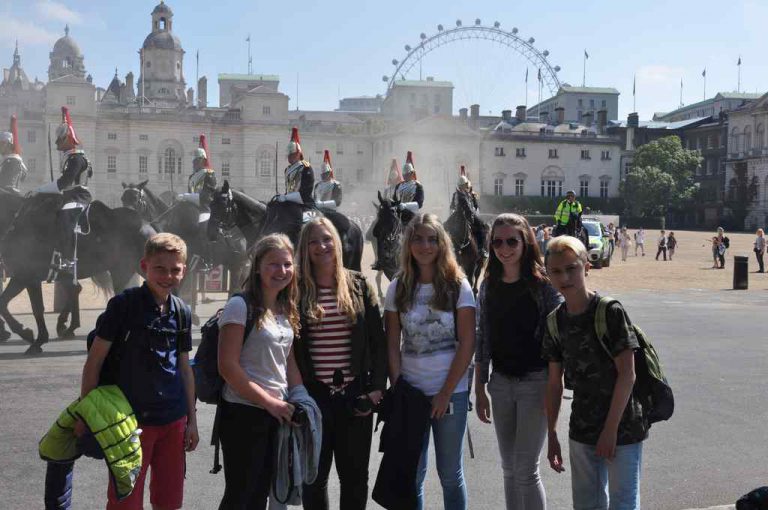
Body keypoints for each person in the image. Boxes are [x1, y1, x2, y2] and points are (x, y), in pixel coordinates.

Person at [79, 233, 197, 509]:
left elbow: (185, 368)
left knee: (168, 502)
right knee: (125, 503)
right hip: (129, 424)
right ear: (144, 266)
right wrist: (85, 414)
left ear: (184, 271)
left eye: (175, 270)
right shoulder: (123, 306)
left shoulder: (182, 311)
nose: (167, 276)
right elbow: (94, 362)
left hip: (173, 421)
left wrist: (191, 420)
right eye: (160, 268)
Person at [542, 236, 647, 510]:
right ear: (548, 275)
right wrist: (551, 434)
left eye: (572, 268)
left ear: (587, 266)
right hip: (583, 427)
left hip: (623, 427)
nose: (564, 277)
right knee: (587, 504)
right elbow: (554, 384)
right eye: (556, 271)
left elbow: (628, 374)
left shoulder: (609, 311)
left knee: (623, 504)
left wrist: (610, 430)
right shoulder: (555, 322)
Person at [384, 213, 476, 510]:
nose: (425, 246)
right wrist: (399, 388)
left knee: (450, 475)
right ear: (409, 243)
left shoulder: (458, 285)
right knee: (413, 474)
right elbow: (392, 345)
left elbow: (467, 344)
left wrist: (445, 392)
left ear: (442, 244)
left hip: (451, 393)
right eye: (418, 239)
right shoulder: (397, 287)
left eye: (432, 239)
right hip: (412, 393)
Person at [295, 217, 387, 510]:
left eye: (326, 239)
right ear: (305, 248)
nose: (321, 246)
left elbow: (379, 343)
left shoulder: (359, 285)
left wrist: (375, 390)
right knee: (314, 480)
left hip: (354, 395)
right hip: (315, 397)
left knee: (355, 479)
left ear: (337, 241)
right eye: (313, 241)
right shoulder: (296, 289)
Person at [474, 213, 562, 510]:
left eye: (512, 240)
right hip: (500, 384)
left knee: (526, 471)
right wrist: (480, 385)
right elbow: (482, 336)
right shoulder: (488, 285)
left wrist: (554, 389)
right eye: (497, 242)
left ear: (526, 242)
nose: (504, 248)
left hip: (535, 384)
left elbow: (557, 342)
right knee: (509, 469)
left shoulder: (543, 286)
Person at [217, 233, 303, 508]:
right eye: (274, 264)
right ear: (257, 267)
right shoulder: (239, 306)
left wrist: (300, 399)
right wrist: (271, 404)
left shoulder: (285, 307)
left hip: (274, 414)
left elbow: (286, 359)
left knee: (258, 497)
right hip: (244, 413)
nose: (282, 271)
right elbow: (227, 367)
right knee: (240, 497)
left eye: (287, 264)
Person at [38, 107, 93, 280]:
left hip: (78, 196)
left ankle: (67, 258)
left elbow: (65, 183)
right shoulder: (72, 157)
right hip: (71, 195)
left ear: (68, 139)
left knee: (65, 215)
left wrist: (42, 189)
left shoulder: (76, 158)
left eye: (60, 141)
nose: (57, 145)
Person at [450, 166, 488, 258]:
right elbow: (452, 206)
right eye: (462, 186)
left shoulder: (466, 194)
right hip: (461, 214)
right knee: (445, 227)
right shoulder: (460, 195)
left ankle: (481, 248)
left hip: (465, 214)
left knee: (482, 227)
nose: (463, 187)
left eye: (464, 185)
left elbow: (475, 207)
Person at [278, 127, 315, 207]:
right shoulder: (287, 169)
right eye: (289, 154)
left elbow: (305, 192)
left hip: (304, 204)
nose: (290, 156)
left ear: (298, 153)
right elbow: (289, 189)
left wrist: (286, 197)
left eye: (292, 154)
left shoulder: (305, 167)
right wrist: (283, 197)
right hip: (289, 202)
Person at [181, 134, 217, 215]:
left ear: (203, 161)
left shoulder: (209, 175)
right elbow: (190, 193)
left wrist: (186, 196)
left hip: (205, 210)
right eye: (193, 161)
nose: (194, 164)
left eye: (196, 161)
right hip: (192, 209)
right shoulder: (191, 177)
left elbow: (206, 197)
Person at [393, 151, 424, 216]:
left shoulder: (418, 186)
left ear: (412, 173)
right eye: (404, 174)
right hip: (398, 214)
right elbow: (394, 200)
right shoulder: (398, 186)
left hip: (412, 215)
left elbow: (419, 203)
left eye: (407, 174)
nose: (405, 176)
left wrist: (405, 205)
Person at [0, 114, 27, 189]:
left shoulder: (12, 162)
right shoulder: (9, 161)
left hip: (9, 198)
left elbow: (7, 186)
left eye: (0, 144)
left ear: (7, 144)